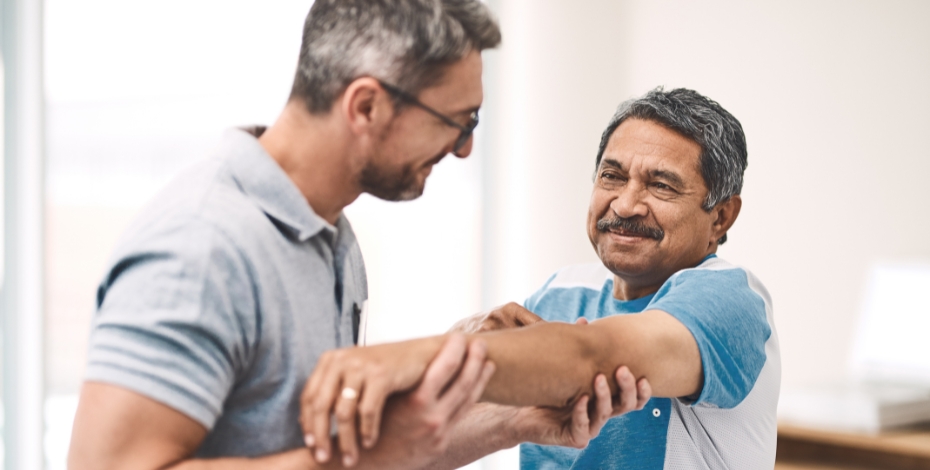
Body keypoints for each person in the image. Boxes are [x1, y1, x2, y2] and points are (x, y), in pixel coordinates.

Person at [68, 1, 649, 469]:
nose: (465, 148)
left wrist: (508, 420)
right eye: (457, 122)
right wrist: (368, 456)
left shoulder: (327, 232)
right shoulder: (200, 246)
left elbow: (325, 447)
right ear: (366, 105)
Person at [302, 87, 780, 469]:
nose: (626, 204)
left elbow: (593, 355)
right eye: (612, 176)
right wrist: (495, 410)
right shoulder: (563, 291)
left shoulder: (730, 299)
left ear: (721, 217)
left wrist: (415, 358)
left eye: (660, 185)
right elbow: (430, 446)